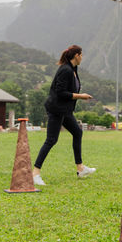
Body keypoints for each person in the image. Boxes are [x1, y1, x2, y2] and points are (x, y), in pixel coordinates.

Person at [32, 45, 96, 185]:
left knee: (77, 132)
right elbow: (60, 92)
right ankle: (35, 173)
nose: (82, 57)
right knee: (51, 140)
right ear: (76, 55)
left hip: (64, 110)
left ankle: (80, 168)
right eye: (81, 54)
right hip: (56, 109)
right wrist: (81, 96)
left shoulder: (73, 69)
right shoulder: (65, 70)